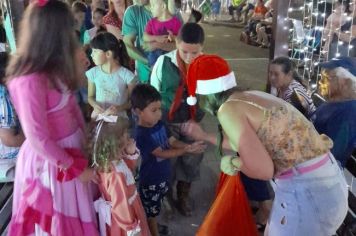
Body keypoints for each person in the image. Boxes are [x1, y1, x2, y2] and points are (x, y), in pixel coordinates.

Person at [182, 54, 348, 235]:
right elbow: (251, 143)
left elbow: (263, 170)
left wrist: (233, 163)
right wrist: (205, 135)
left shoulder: (228, 109)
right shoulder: (251, 95)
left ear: (201, 94)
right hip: (329, 184)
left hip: (307, 194)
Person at [6, 1, 99, 235]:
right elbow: (38, 139)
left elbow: (72, 107)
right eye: (67, 31)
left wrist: (86, 136)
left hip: (71, 154)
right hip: (52, 164)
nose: (71, 37)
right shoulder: (28, 79)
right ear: (52, 34)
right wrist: (76, 169)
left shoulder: (53, 67)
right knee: (59, 225)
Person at [131, 84, 206, 236]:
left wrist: (188, 146)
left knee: (155, 207)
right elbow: (161, 153)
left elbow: (171, 141)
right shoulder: (141, 134)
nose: (159, 114)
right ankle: (153, 232)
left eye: (159, 109)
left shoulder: (159, 124)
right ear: (139, 112)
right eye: (154, 110)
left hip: (162, 177)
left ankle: (154, 227)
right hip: (150, 182)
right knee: (151, 213)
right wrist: (185, 150)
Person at [150, 23, 206, 216]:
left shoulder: (208, 66)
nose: (189, 57)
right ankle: (166, 195)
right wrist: (157, 124)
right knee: (168, 161)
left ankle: (183, 195)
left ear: (202, 48)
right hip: (167, 120)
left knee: (192, 159)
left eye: (195, 53)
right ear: (176, 42)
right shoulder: (162, 63)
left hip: (193, 121)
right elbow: (154, 93)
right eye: (184, 52)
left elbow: (211, 97)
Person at [91, 117, 150, 236]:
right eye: (125, 134)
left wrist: (130, 153)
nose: (128, 135)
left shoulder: (109, 161)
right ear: (116, 142)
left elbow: (127, 172)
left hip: (123, 212)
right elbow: (120, 204)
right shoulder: (115, 174)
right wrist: (131, 227)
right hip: (126, 216)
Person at [312, 57, 356, 167]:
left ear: (345, 82)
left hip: (321, 168)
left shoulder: (348, 112)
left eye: (328, 78)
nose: (321, 82)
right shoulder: (334, 102)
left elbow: (335, 154)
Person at [122, 0, 176, 83]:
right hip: (144, 76)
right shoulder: (133, 12)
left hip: (170, 74)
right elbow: (128, 45)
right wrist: (150, 62)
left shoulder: (171, 11)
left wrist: (158, 45)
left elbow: (179, 45)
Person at [87, 32, 137, 120]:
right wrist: (95, 105)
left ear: (108, 54)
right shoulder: (93, 73)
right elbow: (90, 97)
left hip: (119, 119)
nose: (91, 55)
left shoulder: (127, 76)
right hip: (99, 117)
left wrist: (119, 108)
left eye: (95, 51)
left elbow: (131, 102)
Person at [0, 52, 25, 183]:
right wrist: (35, 137)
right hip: (8, 159)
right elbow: (9, 140)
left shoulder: (8, 90)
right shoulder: (4, 100)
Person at [143, 0, 182, 67]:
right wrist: (156, 38)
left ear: (163, 6)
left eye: (153, 5)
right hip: (155, 55)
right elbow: (145, 37)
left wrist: (173, 37)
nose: (150, 8)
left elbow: (181, 40)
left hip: (170, 55)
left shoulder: (176, 23)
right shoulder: (151, 23)